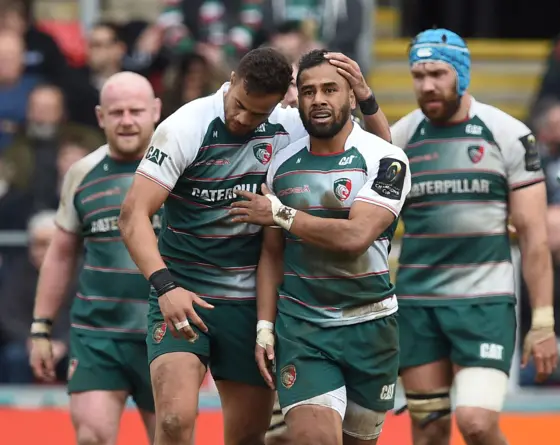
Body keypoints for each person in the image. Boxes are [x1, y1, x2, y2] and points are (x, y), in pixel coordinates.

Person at [118, 47, 391, 445]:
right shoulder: (186, 127)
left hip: (250, 304)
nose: (243, 119)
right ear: (232, 80)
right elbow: (132, 215)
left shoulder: (287, 126)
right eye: (239, 105)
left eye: (257, 114)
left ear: (281, 102)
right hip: (183, 292)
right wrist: (165, 287)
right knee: (175, 420)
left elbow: (381, 154)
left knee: (247, 435)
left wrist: (366, 98)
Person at [228, 48, 411, 445]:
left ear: (351, 96)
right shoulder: (282, 165)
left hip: (372, 326)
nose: (318, 100)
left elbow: (355, 237)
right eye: (308, 91)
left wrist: (282, 214)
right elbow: (272, 253)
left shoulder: (387, 160)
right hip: (304, 328)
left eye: (330, 89)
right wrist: (264, 328)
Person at [390, 29, 558, 445]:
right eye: (418, 75)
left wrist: (543, 321)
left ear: (462, 75)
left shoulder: (507, 134)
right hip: (418, 306)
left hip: (484, 305)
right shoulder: (399, 138)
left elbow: (535, 237)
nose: (427, 85)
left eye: (438, 73)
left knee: (476, 423)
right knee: (428, 431)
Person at [29, 72, 162, 445]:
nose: (127, 120)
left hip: (166, 334)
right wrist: (41, 327)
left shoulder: (181, 169)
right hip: (98, 336)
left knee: (173, 439)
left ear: (155, 111)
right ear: (100, 116)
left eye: (136, 110)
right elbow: (60, 254)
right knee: (92, 437)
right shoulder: (81, 173)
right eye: (116, 112)